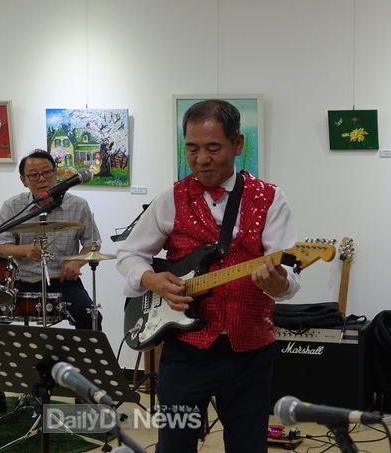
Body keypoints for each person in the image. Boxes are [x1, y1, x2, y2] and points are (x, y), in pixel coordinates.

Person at [117, 99, 300, 453]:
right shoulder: (170, 197)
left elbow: (288, 274)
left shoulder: (271, 199)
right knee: (174, 445)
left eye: (213, 147)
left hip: (250, 350)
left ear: (238, 144)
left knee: (248, 447)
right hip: (186, 353)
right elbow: (129, 253)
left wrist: (278, 283)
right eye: (193, 148)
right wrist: (151, 279)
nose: (202, 159)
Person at [0, 149, 102, 330]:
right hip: (20, 282)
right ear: (23, 180)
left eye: (47, 172)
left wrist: (77, 262)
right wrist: (24, 250)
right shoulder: (12, 206)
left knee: (89, 315)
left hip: (63, 282)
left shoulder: (78, 205)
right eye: (33, 175)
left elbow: (93, 244)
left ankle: (87, 358)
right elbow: (2, 247)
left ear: (56, 172)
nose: (42, 179)